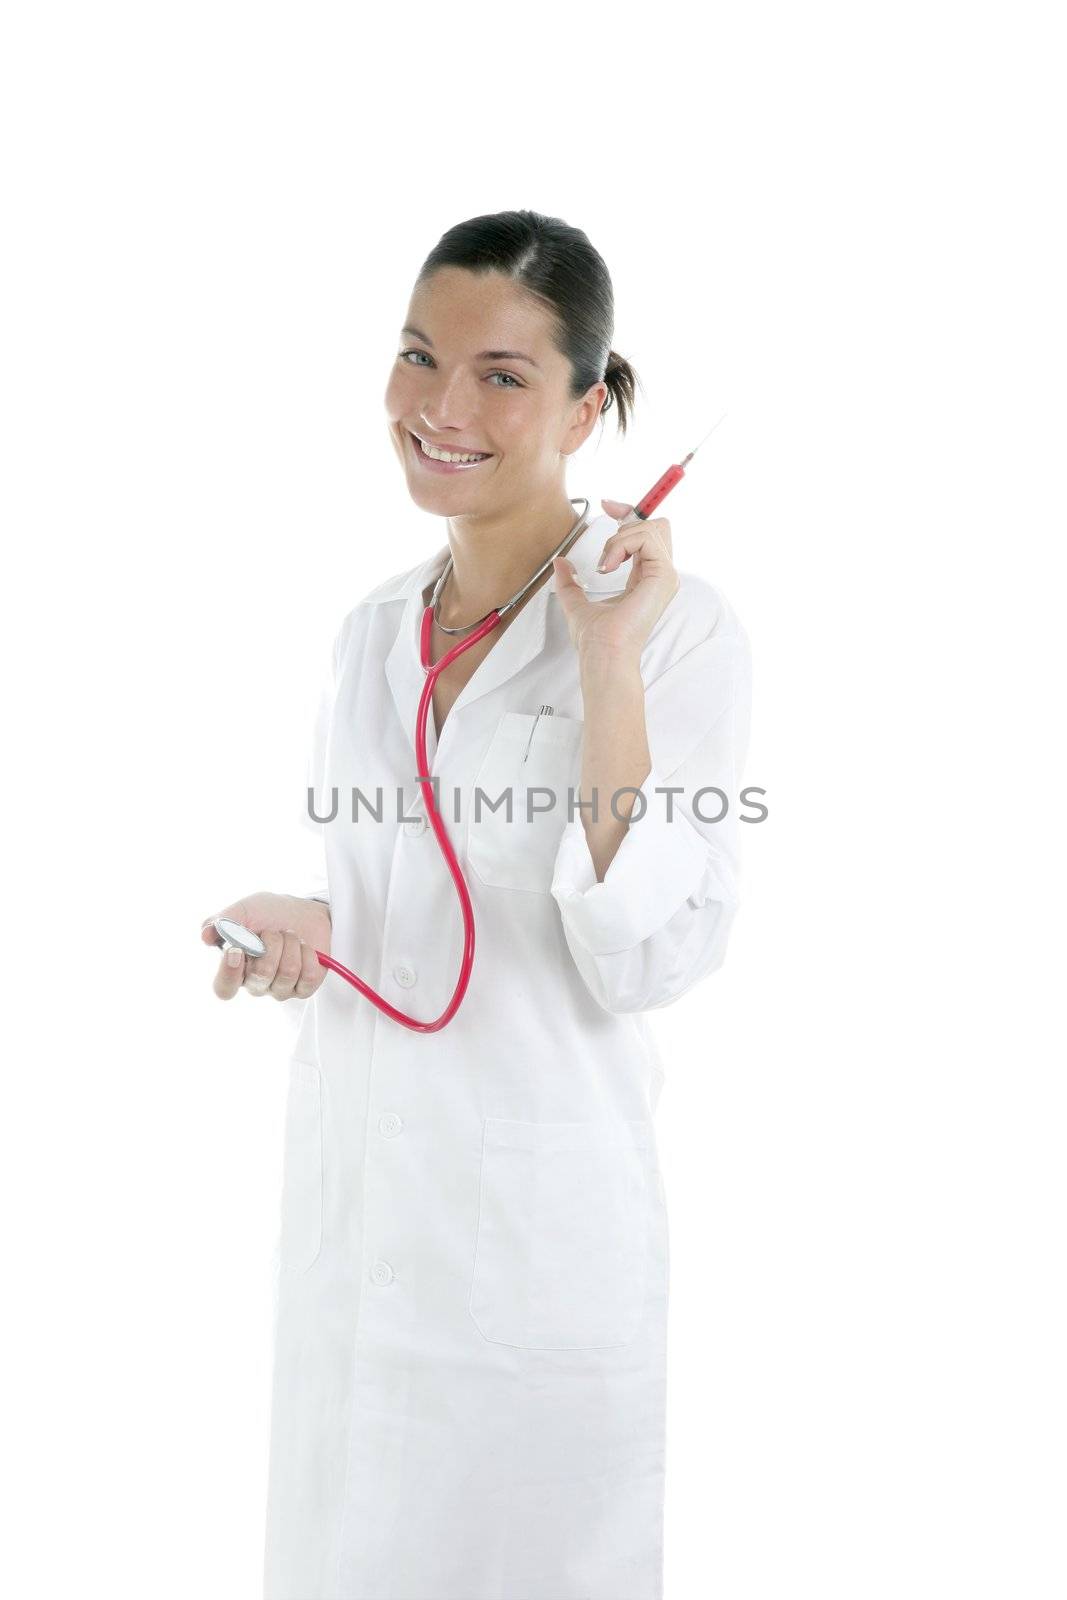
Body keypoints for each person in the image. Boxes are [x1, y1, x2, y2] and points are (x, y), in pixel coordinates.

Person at [201, 208, 752, 1600]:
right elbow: (414, 906)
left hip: (533, 1261)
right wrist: (316, 932)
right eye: (418, 357)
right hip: (359, 1235)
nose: (443, 408)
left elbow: (647, 955)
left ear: (592, 403)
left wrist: (608, 666)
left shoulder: (685, 635)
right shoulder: (373, 632)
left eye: (504, 374)